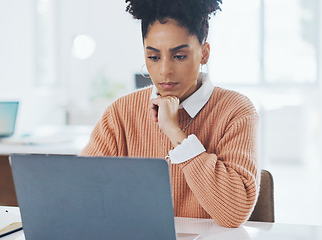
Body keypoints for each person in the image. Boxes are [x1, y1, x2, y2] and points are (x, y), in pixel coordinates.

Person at [80, 0, 259, 228]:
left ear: (204, 53)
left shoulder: (236, 110)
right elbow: (82, 196)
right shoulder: (121, 112)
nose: (165, 70)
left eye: (179, 56)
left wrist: (175, 133)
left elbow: (234, 213)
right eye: (154, 57)